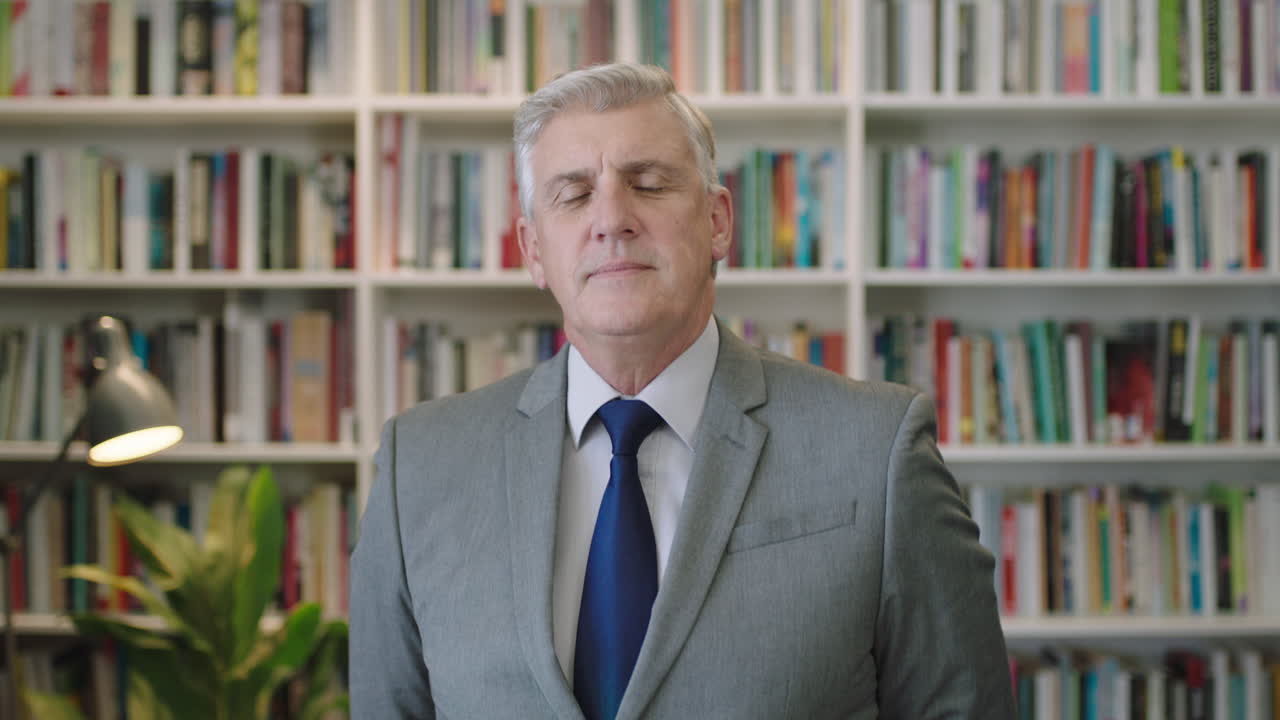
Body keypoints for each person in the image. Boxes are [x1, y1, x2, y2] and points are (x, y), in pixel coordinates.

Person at [350, 62, 1015, 720]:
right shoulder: (420, 468)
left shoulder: (878, 449)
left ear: (718, 221)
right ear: (533, 251)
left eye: (648, 184)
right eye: (574, 195)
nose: (612, 219)